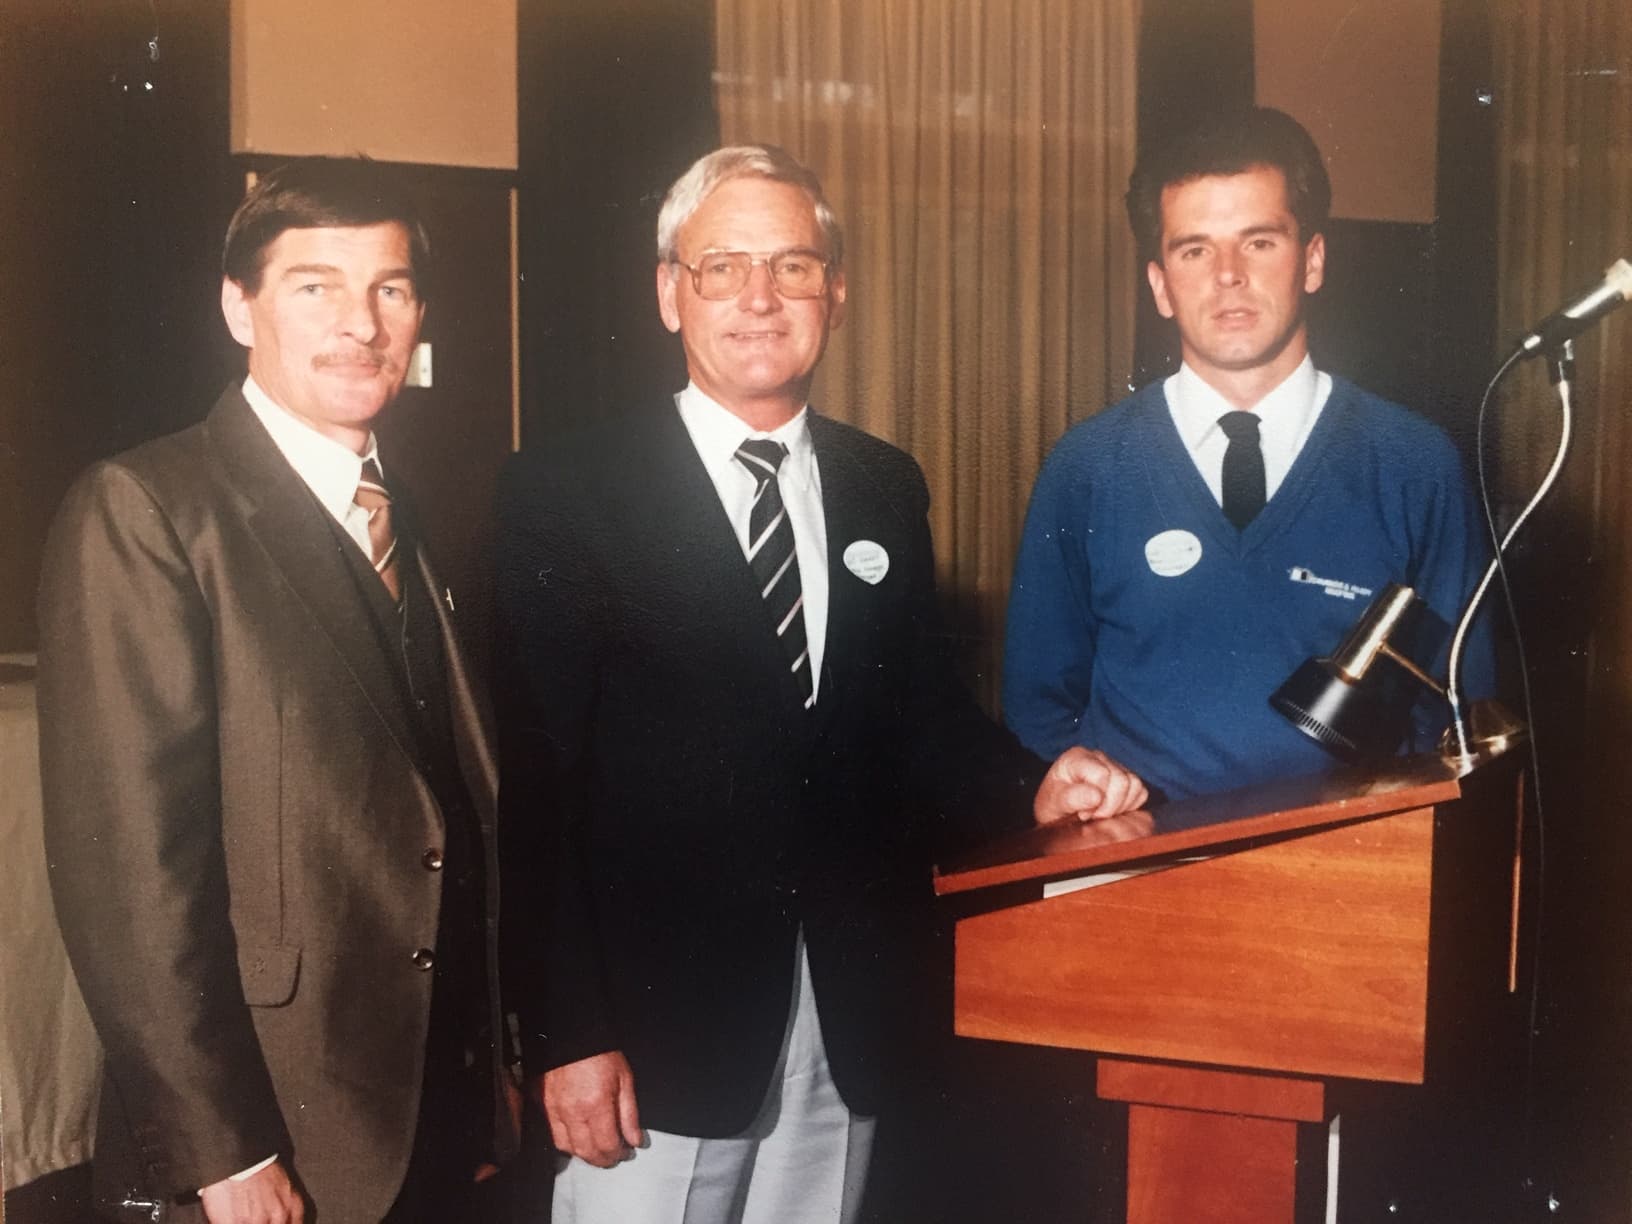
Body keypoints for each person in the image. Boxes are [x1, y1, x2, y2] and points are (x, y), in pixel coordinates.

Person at [493, 144, 1148, 1224]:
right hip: (656, 1039)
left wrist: (1036, 786)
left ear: (835, 295)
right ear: (669, 292)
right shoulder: (564, 494)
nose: (761, 297)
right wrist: (569, 1034)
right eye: (724, 267)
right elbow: (537, 789)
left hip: (846, 1011)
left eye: (794, 267)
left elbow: (921, 719)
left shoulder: (881, 483)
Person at [36, 158, 515, 1223]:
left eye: (388, 288)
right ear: (237, 306)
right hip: (267, 1146)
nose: (360, 323)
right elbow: (133, 885)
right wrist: (223, 1153)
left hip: (428, 1121)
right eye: (315, 286)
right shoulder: (147, 511)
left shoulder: (422, 513)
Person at [1003, 107, 1496, 803]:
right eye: (1194, 249)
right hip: (1129, 881)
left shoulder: (1414, 464)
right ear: (1160, 285)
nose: (1227, 276)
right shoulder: (1087, 468)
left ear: (1313, 259)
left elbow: (1458, 715)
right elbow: (1037, 709)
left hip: (1346, 877)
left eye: (1259, 242)